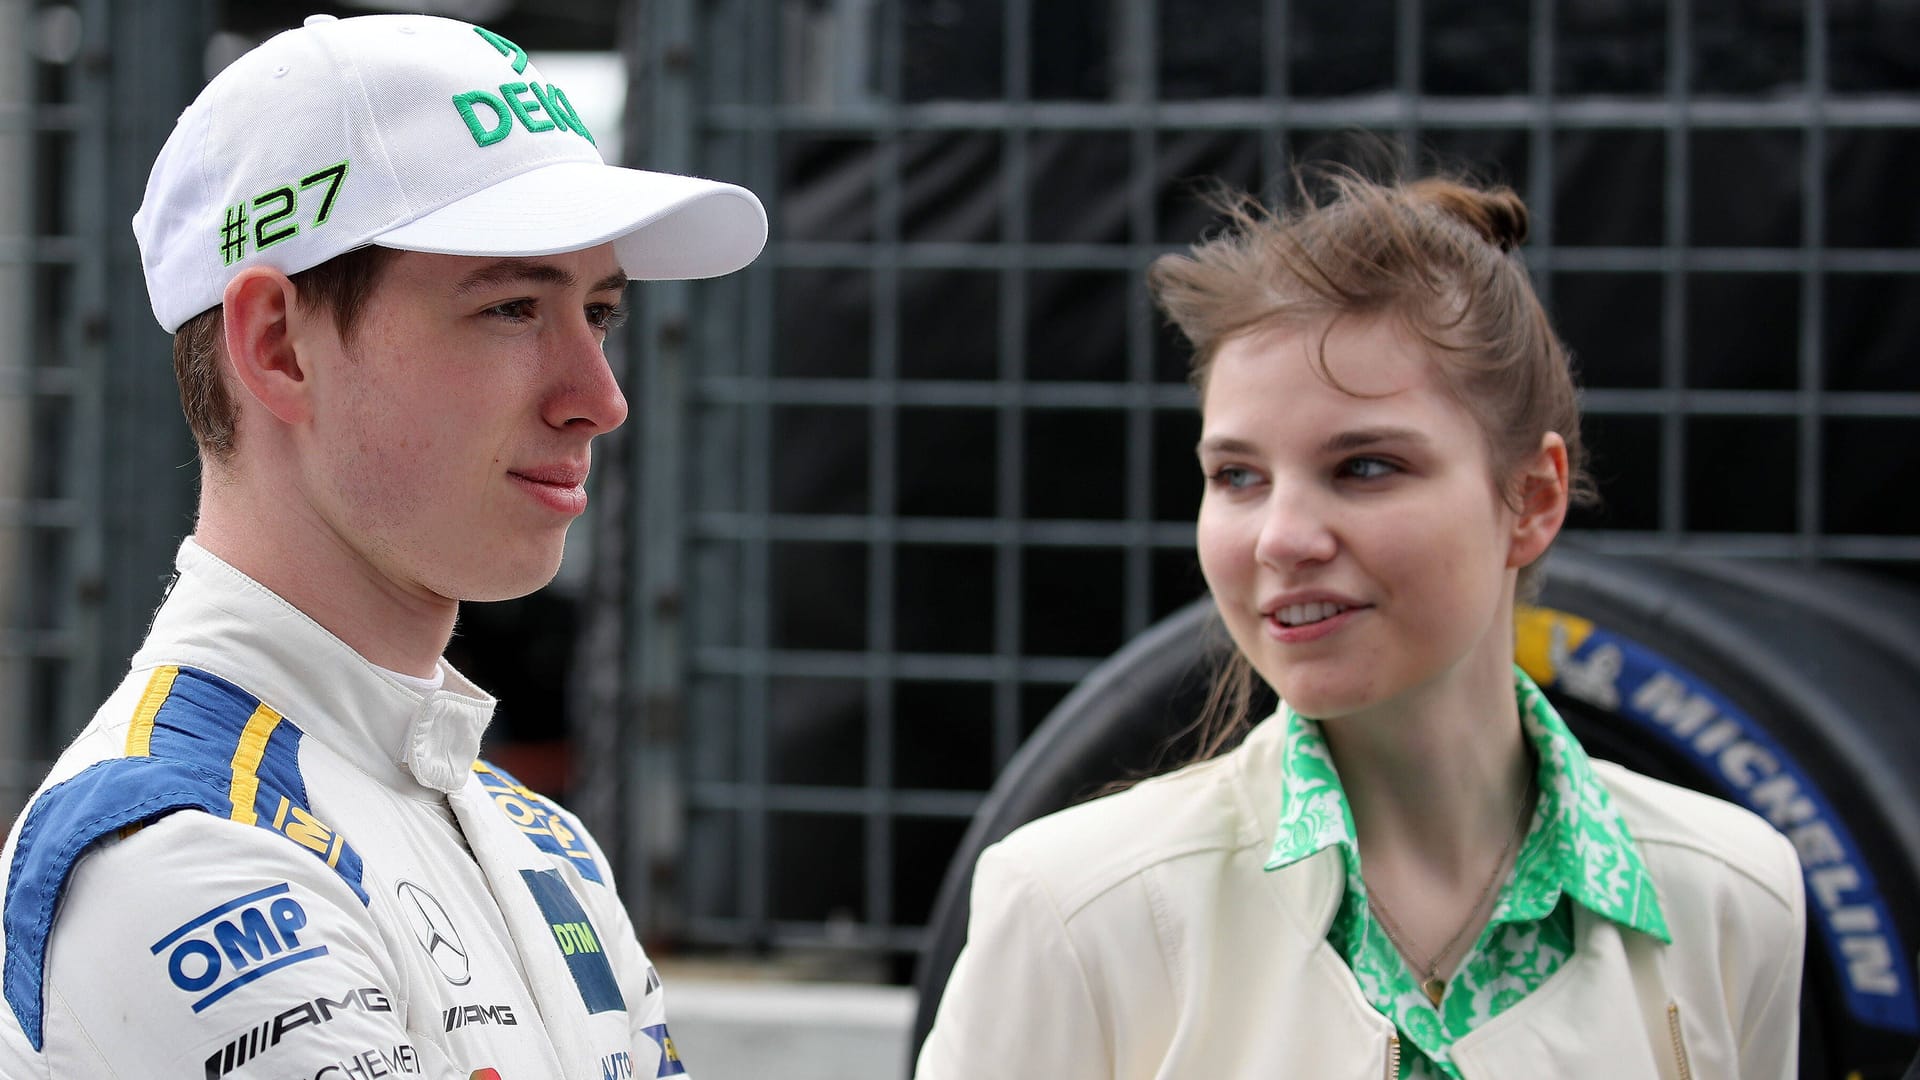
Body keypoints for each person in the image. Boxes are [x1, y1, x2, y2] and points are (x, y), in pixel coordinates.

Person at [0, 12, 764, 1078]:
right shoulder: (187, 852)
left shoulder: (543, 846)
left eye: (599, 313)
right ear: (277, 348)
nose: (599, 398)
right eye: (510, 307)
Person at [915, 170, 1804, 1078]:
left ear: (1531, 499)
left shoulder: (1731, 894)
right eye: (1238, 477)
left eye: (1366, 467)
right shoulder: (1077, 909)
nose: (1282, 538)